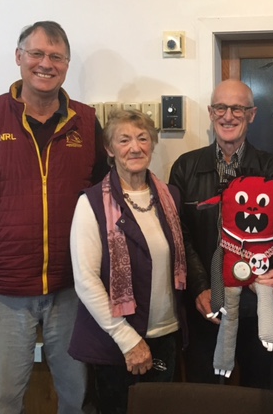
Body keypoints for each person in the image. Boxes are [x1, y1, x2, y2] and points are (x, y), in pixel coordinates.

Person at [0, 20, 109, 414]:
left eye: (56, 56)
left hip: (73, 289)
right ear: (19, 58)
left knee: (77, 396)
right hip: (3, 291)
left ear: (66, 65)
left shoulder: (85, 123)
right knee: (3, 400)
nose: (45, 64)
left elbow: (107, 201)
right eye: (36, 54)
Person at [168, 79, 273, 388]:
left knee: (262, 395)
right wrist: (199, 287)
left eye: (238, 108)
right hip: (205, 308)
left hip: (256, 305)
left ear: (252, 114)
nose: (229, 115)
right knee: (205, 398)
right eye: (221, 107)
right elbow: (178, 235)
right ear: (211, 113)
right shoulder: (185, 167)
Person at [68, 109, 186, 413]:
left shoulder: (169, 196)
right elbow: (86, 280)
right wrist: (128, 339)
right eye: (124, 140)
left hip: (166, 335)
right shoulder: (91, 203)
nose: (135, 147)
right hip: (117, 342)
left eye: (143, 138)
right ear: (109, 149)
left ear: (152, 144)